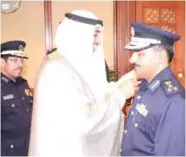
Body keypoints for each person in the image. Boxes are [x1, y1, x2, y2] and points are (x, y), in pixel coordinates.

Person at [28, 10, 138, 156]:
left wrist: (117, 86)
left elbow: (91, 99)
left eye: (98, 37)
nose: (97, 43)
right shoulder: (57, 70)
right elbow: (85, 125)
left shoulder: (70, 66)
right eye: (93, 36)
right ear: (77, 36)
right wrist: (119, 95)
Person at [120, 22, 185, 156]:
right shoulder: (145, 85)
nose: (132, 60)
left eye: (140, 54)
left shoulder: (173, 100)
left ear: (159, 56)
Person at [1, 40, 33, 156]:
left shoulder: (22, 84)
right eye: (14, 60)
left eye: (21, 60)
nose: (20, 64)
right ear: (1, 62)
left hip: (27, 147)